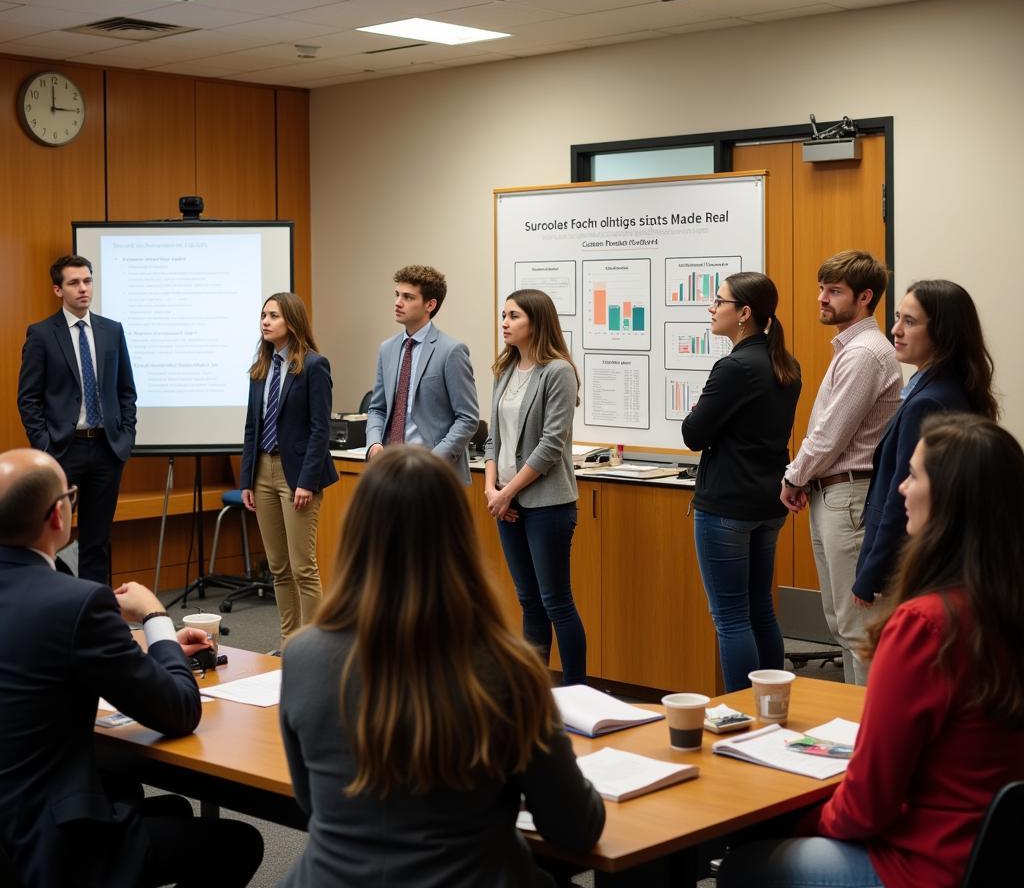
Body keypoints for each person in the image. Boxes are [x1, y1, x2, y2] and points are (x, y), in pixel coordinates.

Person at [717, 414, 1024, 888]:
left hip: (920, 866)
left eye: (915, 475)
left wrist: (797, 827)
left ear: (951, 501)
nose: (900, 488)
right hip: (993, 860)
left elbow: (866, 807)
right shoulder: (1001, 611)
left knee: (745, 863)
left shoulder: (926, 626)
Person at [278, 446, 605, 887]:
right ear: (458, 539)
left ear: (357, 536)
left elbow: (313, 804)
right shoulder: (509, 669)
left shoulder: (301, 657)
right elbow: (575, 827)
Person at [0, 448, 263, 888]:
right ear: (57, 516)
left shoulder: (61, 601)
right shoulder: (76, 602)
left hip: (11, 823)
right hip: (49, 844)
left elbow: (46, 661)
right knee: (238, 842)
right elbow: (178, 710)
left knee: (171, 807)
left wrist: (156, 651)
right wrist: (156, 618)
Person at [779, 250, 901, 685]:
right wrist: (803, 477)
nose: (822, 299)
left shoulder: (865, 353)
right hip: (832, 492)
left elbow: (831, 435)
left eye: (834, 291)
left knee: (858, 627)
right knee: (841, 623)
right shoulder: (852, 347)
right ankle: (855, 726)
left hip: (849, 495)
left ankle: (869, 732)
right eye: (822, 289)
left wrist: (794, 475)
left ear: (865, 297)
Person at [681, 272, 801, 692]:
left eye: (719, 302)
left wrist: (700, 412)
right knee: (760, 610)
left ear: (744, 314)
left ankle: (742, 713)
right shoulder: (785, 364)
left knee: (730, 617)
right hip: (768, 503)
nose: (712, 309)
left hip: (727, 505)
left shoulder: (733, 366)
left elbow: (693, 434)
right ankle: (771, 706)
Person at [853, 280, 998, 607]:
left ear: (944, 332)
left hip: (909, 560)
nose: (895, 330)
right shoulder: (943, 387)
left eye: (910, 321)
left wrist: (870, 574)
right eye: (897, 317)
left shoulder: (929, 402)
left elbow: (900, 493)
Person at [484, 288, 587, 686]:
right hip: (506, 500)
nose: (505, 323)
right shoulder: (504, 370)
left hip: (547, 504)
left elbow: (552, 443)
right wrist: (493, 488)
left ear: (536, 322)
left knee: (556, 601)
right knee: (529, 602)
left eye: (513, 316)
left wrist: (509, 492)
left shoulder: (557, 371)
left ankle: (577, 691)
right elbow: (493, 438)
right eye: (503, 315)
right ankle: (534, 691)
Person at [17, 254, 137, 584]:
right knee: (48, 538)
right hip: (61, 450)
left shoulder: (112, 331)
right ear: (58, 290)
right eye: (74, 283)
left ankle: (95, 614)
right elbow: (28, 399)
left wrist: (126, 437)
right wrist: (44, 445)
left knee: (97, 541)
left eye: (87, 281)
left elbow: (126, 391)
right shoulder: (41, 334)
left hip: (106, 449)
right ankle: (54, 608)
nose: (83, 288)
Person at [240, 292, 338, 650]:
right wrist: (247, 479)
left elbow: (319, 429)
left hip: (298, 475)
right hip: (262, 472)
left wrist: (307, 481)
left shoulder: (314, 365)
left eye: (274, 316)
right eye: (263, 315)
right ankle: (288, 641)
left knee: (302, 567)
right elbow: (252, 427)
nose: (265, 321)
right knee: (278, 567)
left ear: (291, 322)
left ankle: (314, 646)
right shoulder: (260, 369)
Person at [365, 264, 479, 484]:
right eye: (397, 295)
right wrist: (374, 443)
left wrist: (432, 461)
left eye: (408, 297)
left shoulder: (451, 351)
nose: (398, 303)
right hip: (390, 471)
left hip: (434, 476)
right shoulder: (387, 349)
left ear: (430, 304)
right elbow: (377, 408)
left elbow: (467, 418)